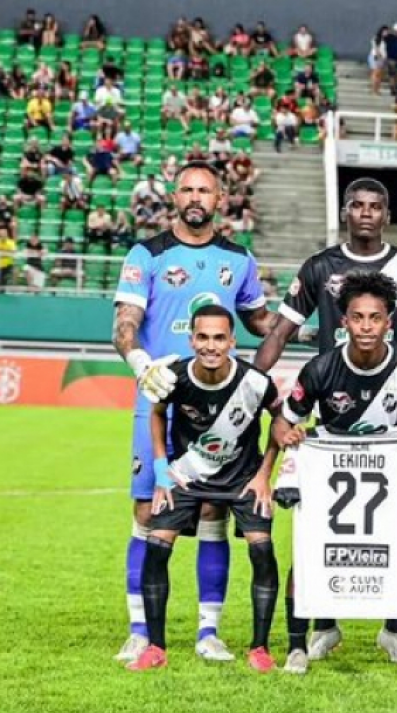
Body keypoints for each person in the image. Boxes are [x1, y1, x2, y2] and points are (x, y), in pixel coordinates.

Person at [111, 161, 278, 664]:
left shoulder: (237, 258)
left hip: (218, 409)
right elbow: (126, 320)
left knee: (214, 511)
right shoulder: (148, 253)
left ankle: (209, 632)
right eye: (187, 189)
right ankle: (141, 631)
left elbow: (260, 320)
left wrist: (313, 326)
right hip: (161, 401)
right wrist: (141, 363)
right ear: (173, 195)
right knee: (147, 512)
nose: (195, 197)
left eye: (205, 190)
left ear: (221, 198)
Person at [271, 271, 397, 677]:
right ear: (343, 322)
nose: (366, 326)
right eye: (358, 317)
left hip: (390, 476)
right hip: (327, 473)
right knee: (309, 554)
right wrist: (289, 432)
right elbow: (281, 423)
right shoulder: (320, 369)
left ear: (390, 322)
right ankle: (299, 645)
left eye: (375, 318)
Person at [126, 305, 281, 673]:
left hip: (243, 478)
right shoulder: (174, 376)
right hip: (188, 477)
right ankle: (155, 647)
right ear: (192, 339)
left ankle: (259, 648)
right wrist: (162, 471)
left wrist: (265, 474)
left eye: (218, 338)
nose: (211, 346)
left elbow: (281, 417)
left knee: (262, 550)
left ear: (231, 340)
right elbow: (157, 413)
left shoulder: (255, 381)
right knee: (157, 545)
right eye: (203, 337)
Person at [254, 177, 397, 382]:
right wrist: (250, 382)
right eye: (357, 206)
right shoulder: (319, 265)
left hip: (393, 387)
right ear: (343, 213)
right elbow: (279, 334)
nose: (366, 213)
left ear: (387, 216)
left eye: (376, 207)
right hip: (333, 387)